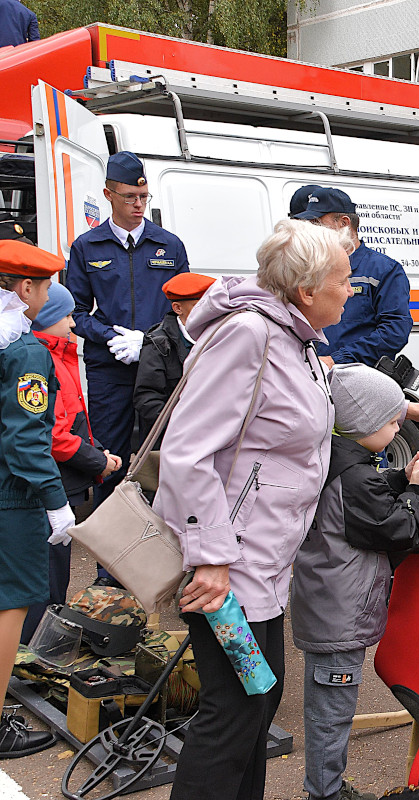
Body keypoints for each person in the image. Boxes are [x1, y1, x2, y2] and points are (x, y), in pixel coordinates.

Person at [154, 219, 353, 800]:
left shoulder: (296, 337)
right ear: (307, 291)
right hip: (228, 569)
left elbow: (315, 401)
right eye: (343, 279)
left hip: (260, 564)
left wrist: (408, 412)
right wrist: (212, 558)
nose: (352, 288)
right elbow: (187, 452)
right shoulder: (250, 335)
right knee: (235, 715)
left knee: (257, 706)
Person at [291, 364, 419, 800]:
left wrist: (398, 479)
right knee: (331, 714)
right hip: (340, 619)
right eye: (390, 422)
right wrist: (418, 492)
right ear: (363, 426)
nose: (396, 428)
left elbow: (363, 498)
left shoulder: (335, 460)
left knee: (325, 708)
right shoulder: (355, 478)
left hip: (325, 607)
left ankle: (325, 786)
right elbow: (396, 528)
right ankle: (326, 793)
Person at [65, 151, 189, 520]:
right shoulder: (88, 247)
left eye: (144, 197)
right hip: (110, 369)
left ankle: (168, 553)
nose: (139, 205)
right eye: (130, 197)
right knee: (110, 461)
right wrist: (110, 336)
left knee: (167, 456)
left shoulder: (169, 245)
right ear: (108, 195)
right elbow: (74, 312)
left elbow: (184, 307)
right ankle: (110, 564)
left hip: (160, 367)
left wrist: (148, 340)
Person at [0, 239, 70, 758]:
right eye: (45, 285)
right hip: (11, 498)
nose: (49, 293)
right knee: (10, 605)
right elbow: (25, 440)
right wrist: (54, 499)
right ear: (25, 287)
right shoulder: (25, 352)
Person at [22, 283, 121, 644]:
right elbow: (56, 434)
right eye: (66, 316)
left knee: (52, 573)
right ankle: (33, 653)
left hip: (60, 478)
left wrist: (96, 451)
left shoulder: (59, 353)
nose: (72, 323)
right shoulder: (44, 358)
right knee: (47, 578)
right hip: (53, 485)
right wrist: (98, 461)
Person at [291, 186, 412, 367]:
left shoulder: (384, 270)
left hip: (356, 377)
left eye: (317, 223)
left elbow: (394, 332)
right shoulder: (310, 267)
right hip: (312, 374)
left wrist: (336, 360)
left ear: (344, 223)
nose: (312, 230)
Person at [132, 272, 216, 448]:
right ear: (178, 308)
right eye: (198, 306)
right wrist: (184, 427)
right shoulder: (158, 344)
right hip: (176, 439)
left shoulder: (222, 336)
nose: (207, 311)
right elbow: (148, 398)